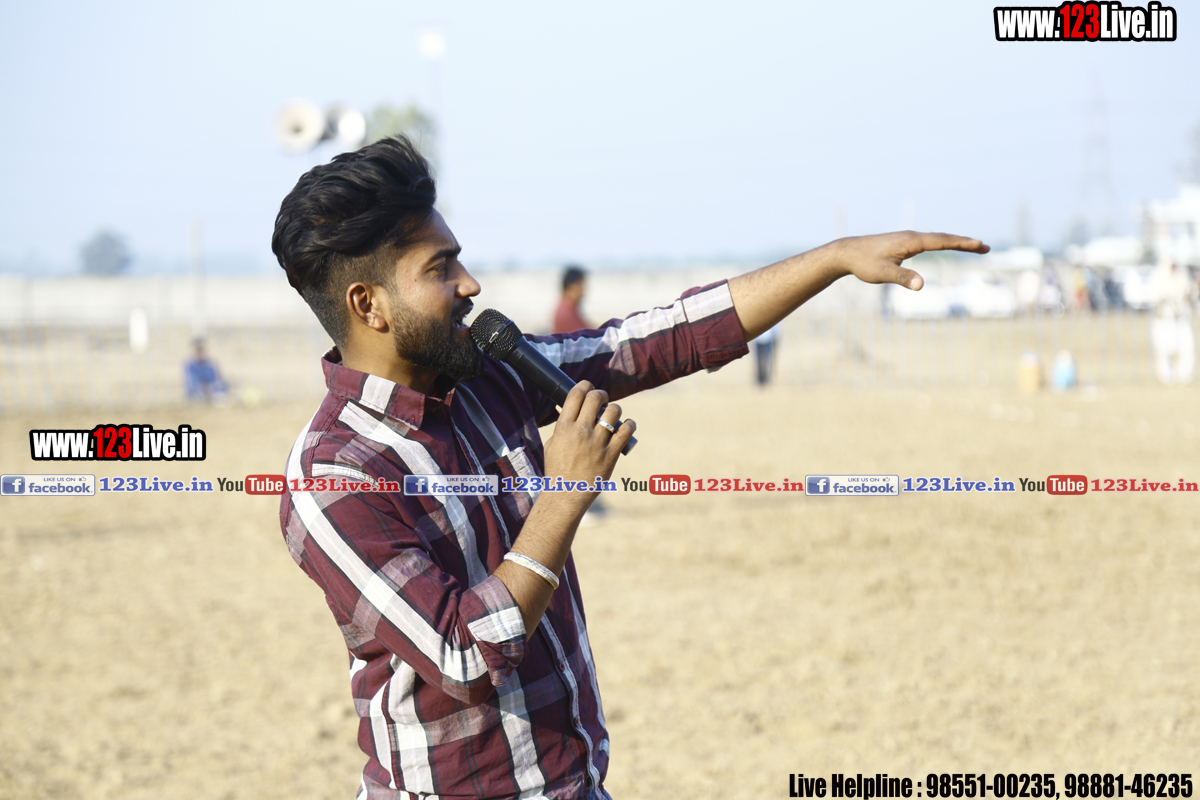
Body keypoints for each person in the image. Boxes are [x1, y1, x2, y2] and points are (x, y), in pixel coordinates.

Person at [270, 136, 988, 800]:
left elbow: (656, 342)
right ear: (368, 305)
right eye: (440, 268)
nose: (471, 284)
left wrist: (830, 259)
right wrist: (565, 494)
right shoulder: (332, 477)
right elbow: (463, 657)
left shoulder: (487, 373)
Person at [1149, 258, 1196, 385]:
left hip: (1180, 318)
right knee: (1163, 349)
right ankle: (1166, 375)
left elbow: (1188, 294)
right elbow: (1155, 297)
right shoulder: (1158, 277)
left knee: (1187, 347)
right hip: (1163, 318)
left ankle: (1185, 374)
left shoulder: (1182, 277)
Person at [183, 338, 227, 402]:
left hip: (212, 391)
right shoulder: (190, 366)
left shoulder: (211, 364)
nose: (200, 352)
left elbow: (217, 379)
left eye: (201, 349)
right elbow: (191, 383)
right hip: (198, 392)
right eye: (198, 350)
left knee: (220, 387)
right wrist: (202, 388)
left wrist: (211, 387)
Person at [553, 264, 592, 333]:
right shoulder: (566, 313)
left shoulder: (569, 308)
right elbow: (588, 334)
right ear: (570, 286)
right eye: (580, 284)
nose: (583, 290)